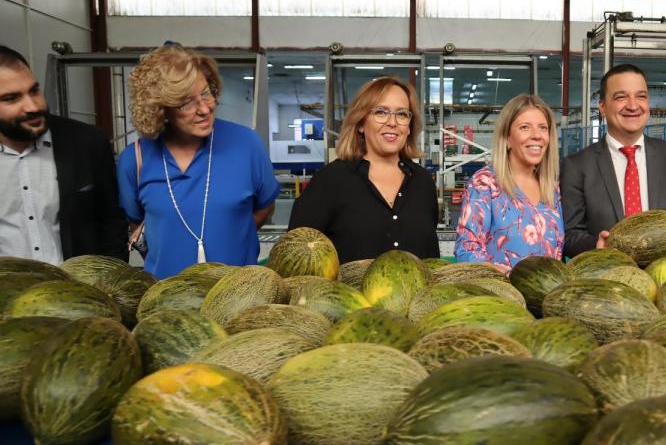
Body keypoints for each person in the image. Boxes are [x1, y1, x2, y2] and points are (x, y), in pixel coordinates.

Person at [117, 44, 278, 279]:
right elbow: (138, 222)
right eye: (186, 103)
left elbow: (265, 207)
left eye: (206, 93)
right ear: (161, 110)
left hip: (238, 297)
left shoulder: (246, 145)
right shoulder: (136, 160)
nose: (204, 109)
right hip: (167, 301)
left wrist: (231, 235)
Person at [561, 63, 666, 259]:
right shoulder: (576, 166)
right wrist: (597, 245)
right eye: (621, 97)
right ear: (602, 107)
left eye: (641, 96)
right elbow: (569, 234)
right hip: (608, 278)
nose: (633, 105)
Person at [289, 76, 439, 262]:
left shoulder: (423, 182)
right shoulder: (330, 180)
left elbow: (431, 258)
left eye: (401, 114)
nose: (392, 122)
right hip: (344, 291)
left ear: (409, 127)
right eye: (381, 112)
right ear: (361, 123)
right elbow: (295, 255)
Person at [0, 45, 126, 264]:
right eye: (12, 98)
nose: (32, 106)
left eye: (34, 90)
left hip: (80, 293)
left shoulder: (87, 142)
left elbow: (112, 224)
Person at [455, 94, 563, 271]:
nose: (537, 135)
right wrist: (497, 273)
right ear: (507, 138)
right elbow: (466, 249)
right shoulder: (485, 183)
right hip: (500, 295)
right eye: (525, 127)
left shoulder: (552, 188)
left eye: (543, 128)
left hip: (547, 296)